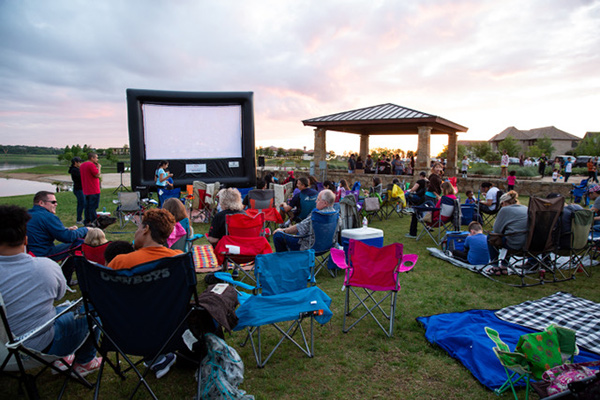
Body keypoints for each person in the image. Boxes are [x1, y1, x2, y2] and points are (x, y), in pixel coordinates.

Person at [0, 205, 102, 376]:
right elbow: (59, 294)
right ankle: (85, 362)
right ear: (26, 240)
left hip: (4, 353)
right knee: (91, 307)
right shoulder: (45, 267)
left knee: (61, 309)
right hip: (34, 349)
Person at [106, 208, 181, 378]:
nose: (136, 232)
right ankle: (158, 358)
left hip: (123, 333)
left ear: (146, 229)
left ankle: (155, 359)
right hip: (169, 332)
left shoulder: (120, 262)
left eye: (138, 228)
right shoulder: (178, 260)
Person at [272, 189, 341, 252]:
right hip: (326, 247)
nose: (316, 201)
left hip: (309, 247)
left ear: (325, 203)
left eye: (318, 199)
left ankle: (285, 260)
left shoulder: (317, 215)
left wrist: (282, 230)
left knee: (278, 235)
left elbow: (298, 228)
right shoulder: (336, 215)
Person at [26, 191, 88, 260]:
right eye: (53, 202)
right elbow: (67, 237)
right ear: (41, 203)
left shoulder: (26, 214)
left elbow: (41, 231)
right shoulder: (48, 216)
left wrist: (66, 229)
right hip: (43, 255)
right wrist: (86, 229)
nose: (56, 204)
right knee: (80, 242)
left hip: (27, 255)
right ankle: (66, 270)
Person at [487, 191, 528, 275]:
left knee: (491, 237)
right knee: (509, 235)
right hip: (527, 243)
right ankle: (504, 266)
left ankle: (495, 266)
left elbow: (496, 230)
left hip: (513, 243)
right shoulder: (525, 208)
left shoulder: (505, 210)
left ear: (504, 202)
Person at [80, 152, 101, 226]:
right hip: (93, 189)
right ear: (92, 158)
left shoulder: (82, 165)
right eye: (96, 158)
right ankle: (94, 222)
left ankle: (87, 221)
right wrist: (99, 168)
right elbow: (97, 175)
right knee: (93, 207)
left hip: (86, 190)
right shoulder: (91, 165)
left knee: (87, 206)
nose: (97, 159)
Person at [68, 156, 85, 224]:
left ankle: (80, 218)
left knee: (81, 203)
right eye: (79, 162)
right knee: (82, 203)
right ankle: (79, 219)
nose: (81, 163)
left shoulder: (77, 169)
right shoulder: (74, 170)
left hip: (80, 189)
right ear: (75, 163)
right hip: (78, 189)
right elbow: (82, 177)